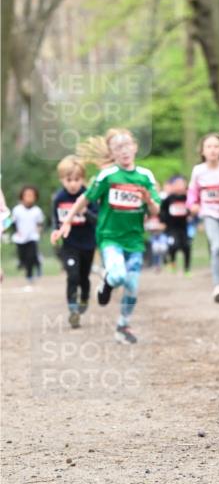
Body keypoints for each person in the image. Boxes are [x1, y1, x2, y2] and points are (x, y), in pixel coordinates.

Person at [52, 128, 161, 345]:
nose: (124, 151)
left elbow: (156, 211)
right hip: (110, 237)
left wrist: (148, 200)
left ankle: (123, 325)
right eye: (118, 147)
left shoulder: (145, 176)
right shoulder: (107, 176)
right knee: (118, 275)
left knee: (132, 286)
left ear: (135, 147)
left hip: (135, 240)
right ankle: (106, 283)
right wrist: (66, 221)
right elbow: (84, 198)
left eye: (127, 145)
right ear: (112, 153)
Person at [50, 155, 97, 328]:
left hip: (88, 243)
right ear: (62, 179)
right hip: (69, 245)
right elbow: (55, 220)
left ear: (82, 179)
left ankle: (84, 297)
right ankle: (73, 310)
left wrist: (85, 211)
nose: (72, 184)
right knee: (72, 275)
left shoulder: (89, 196)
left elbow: (98, 220)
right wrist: (56, 232)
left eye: (76, 180)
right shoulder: (58, 198)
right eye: (68, 180)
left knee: (84, 277)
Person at [187, 133, 219, 302]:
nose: (212, 150)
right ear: (203, 151)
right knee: (217, 248)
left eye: (216, 147)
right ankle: (218, 286)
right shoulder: (198, 170)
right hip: (209, 214)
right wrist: (193, 204)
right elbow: (192, 191)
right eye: (209, 147)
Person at [11, 185, 44, 284]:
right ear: (22, 196)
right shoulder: (17, 210)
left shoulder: (37, 211)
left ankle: (29, 276)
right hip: (20, 238)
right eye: (27, 195)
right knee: (23, 257)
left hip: (32, 237)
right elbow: (13, 222)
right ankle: (35, 264)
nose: (29, 197)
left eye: (31, 195)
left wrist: (38, 231)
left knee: (31, 256)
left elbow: (40, 223)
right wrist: (16, 231)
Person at [160, 174, 191, 274]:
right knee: (174, 245)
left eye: (181, 184)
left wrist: (190, 214)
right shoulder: (169, 198)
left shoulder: (187, 197)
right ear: (173, 186)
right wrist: (163, 222)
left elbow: (191, 209)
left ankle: (187, 269)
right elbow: (162, 210)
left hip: (184, 227)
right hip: (172, 227)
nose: (179, 186)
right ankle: (173, 262)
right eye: (177, 184)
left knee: (186, 246)